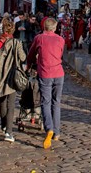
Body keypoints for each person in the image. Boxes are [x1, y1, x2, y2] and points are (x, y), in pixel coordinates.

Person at [26, 17, 65, 149]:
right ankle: (57, 132)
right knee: (56, 102)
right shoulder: (61, 39)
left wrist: (29, 64)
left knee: (45, 102)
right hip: (59, 73)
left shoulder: (39, 38)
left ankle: (49, 128)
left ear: (44, 27)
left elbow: (31, 54)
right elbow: (60, 54)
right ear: (55, 28)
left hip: (45, 73)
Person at [0, 19, 26, 143]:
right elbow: (23, 57)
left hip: (0, 76)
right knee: (11, 104)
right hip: (12, 75)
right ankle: (9, 132)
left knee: (2, 101)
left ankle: (4, 125)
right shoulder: (16, 42)